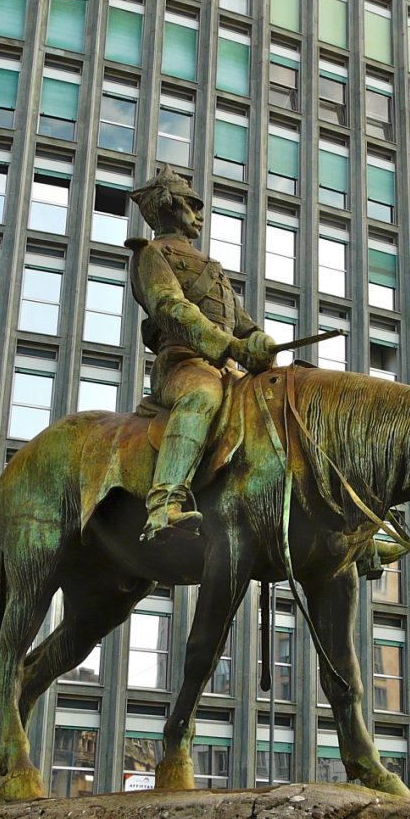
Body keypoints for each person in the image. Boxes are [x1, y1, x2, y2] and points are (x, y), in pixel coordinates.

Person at [126, 166, 277, 542]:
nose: (200, 213)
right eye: (193, 204)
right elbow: (170, 307)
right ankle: (164, 505)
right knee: (201, 396)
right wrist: (228, 346)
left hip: (225, 367)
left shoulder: (209, 265)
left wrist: (257, 339)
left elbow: (239, 320)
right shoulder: (151, 254)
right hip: (182, 364)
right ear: (168, 206)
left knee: (277, 402)